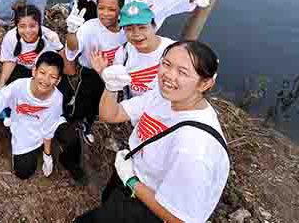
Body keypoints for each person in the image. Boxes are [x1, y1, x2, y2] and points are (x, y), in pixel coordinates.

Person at [75, 40, 229, 222]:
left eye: (183, 72)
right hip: (130, 175)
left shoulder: (194, 148)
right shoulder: (163, 96)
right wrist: (111, 87)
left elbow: (180, 219)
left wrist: (132, 182)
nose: (169, 76)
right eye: (166, 64)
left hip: (148, 207)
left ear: (204, 84)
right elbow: (112, 114)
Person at [0, 51, 85, 183]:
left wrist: (47, 154)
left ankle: (70, 163)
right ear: (34, 71)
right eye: (42, 73)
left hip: (46, 125)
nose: (46, 80)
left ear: (58, 81)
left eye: (52, 76)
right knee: (23, 172)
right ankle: (31, 150)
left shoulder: (57, 98)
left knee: (71, 136)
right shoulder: (19, 86)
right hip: (25, 127)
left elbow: (49, 126)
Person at [62, 0, 126, 145]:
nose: (105, 13)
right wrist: (71, 32)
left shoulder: (127, 30)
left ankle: (87, 125)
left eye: (111, 9)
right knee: (82, 101)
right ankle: (70, 122)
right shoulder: (90, 27)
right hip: (89, 74)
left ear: (121, 9)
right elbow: (73, 47)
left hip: (111, 77)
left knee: (98, 104)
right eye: (101, 8)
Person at [111, 1, 175, 98]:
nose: (136, 33)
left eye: (142, 27)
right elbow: (116, 86)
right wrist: (102, 71)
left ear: (154, 27)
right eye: (129, 29)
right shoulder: (123, 52)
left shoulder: (174, 51)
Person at [0, 4, 63, 92]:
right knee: (12, 89)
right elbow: (10, 60)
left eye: (32, 26)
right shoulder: (11, 37)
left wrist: (60, 47)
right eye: (22, 26)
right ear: (17, 26)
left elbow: (58, 65)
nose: (27, 31)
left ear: (39, 24)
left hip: (46, 72)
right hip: (23, 69)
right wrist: (1, 84)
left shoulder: (50, 38)